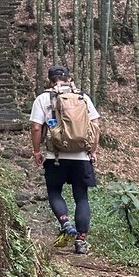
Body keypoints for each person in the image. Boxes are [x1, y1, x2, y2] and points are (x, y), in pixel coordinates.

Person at [29, 65, 100, 255]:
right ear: (69, 78)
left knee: (54, 191)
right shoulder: (83, 97)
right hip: (82, 156)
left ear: (49, 79)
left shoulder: (43, 98)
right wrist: (92, 151)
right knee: (81, 197)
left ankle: (64, 221)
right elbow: (95, 126)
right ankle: (81, 241)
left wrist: (37, 151)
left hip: (56, 156)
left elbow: (36, 128)